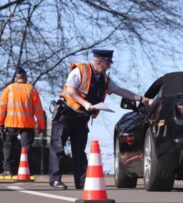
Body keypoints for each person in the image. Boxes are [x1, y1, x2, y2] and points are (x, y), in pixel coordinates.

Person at [49, 49, 152, 190]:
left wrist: (142, 99)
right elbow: (69, 91)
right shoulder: (80, 71)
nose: (109, 66)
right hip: (65, 115)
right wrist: (85, 104)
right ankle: (55, 180)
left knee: (79, 151)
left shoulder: (104, 79)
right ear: (99, 61)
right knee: (58, 148)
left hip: (81, 119)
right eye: (108, 63)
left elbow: (120, 91)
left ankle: (82, 182)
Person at [0, 67, 45, 175]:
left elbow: (2, 109)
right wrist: (41, 126)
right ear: (25, 78)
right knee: (26, 147)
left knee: (8, 146)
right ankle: (26, 170)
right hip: (27, 124)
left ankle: (8, 170)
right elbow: (38, 110)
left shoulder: (8, 89)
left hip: (11, 123)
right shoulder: (32, 89)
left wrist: (0, 123)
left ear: (16, 78)